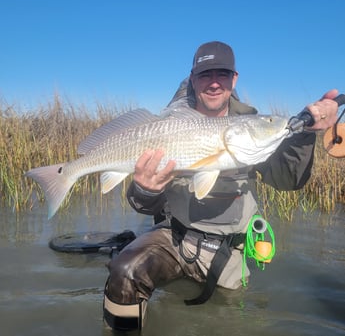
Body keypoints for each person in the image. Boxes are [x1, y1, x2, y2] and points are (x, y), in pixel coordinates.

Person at [103, 41, 339, 331]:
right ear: (192, 79)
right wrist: (146, 189)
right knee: (124, 273)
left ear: (234, 79)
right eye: (205, 74)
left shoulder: (250, 125)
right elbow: (142, 205)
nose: (214, 82)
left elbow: (289, 180)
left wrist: (305, 135)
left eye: (222, 74)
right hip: (173, 239)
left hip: (229, 250)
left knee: (230, 322)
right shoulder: (168, 125)